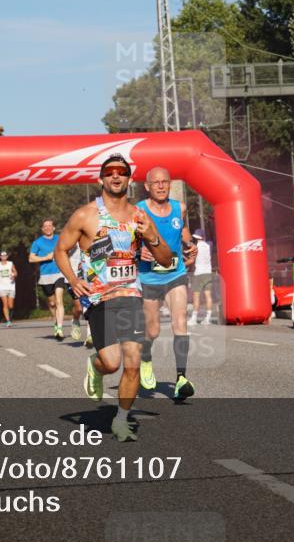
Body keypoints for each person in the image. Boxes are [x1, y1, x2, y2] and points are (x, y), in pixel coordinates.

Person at [56, 154, 172, 442]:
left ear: (129, 179)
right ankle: (95, 367)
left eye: (122, 172)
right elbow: (60, 250)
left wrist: (153, 237)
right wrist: (73, 280)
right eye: (110, 172)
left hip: (131, 294)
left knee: (132, 361)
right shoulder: (85, 215)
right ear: (101, 178)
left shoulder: (139, 216)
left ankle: (121, 419)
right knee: (112, 363)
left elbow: (166, 259)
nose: (116, 176)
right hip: (99, 298)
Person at [136, 167, 199, 400]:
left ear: (170, 184)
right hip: (148, 278)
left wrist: (190, 246)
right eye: (156, 182)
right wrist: (137, 251)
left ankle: (181, 378)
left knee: (180, 322)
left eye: (165, 182)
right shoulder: (138, 211)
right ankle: (145, 358)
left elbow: (183, 231)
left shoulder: (179, 208)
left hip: (175, 273)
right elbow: (126, 240)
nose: (161, 186)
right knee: (152, 330)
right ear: (147, 186)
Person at [30, 219, 66, 339]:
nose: (48, 228)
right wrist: (46, 257)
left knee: (59, 300)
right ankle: (56, 322)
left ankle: (60, 328)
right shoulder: (37, 242)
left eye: (50, 225)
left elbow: (68, 249)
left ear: (54, 227)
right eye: (45, 226)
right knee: (52, 302)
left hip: (59, 273)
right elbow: (31, 259)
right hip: (45, 275)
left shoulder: (60, 238)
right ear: (42, 229)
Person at [188, 229, 214, 325]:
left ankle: (194, 318)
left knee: (196, 296)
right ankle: (208, 318)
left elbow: (191, 261)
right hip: (208, 272)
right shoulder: (209, 245)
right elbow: (210, 241)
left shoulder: (195, 247)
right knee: (208, 295)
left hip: (198, 273)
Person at [0, 251, 17, 327]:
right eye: (2, 256)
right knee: (5, 304)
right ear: (0, 257)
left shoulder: (10, 263)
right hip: (2, 286)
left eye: (5, 256)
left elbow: (16, 272)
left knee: (11, 305)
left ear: (7, 256)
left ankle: (10, 317)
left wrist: (14, 276)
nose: (4, 257)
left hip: (11, 285)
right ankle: (8, 321)